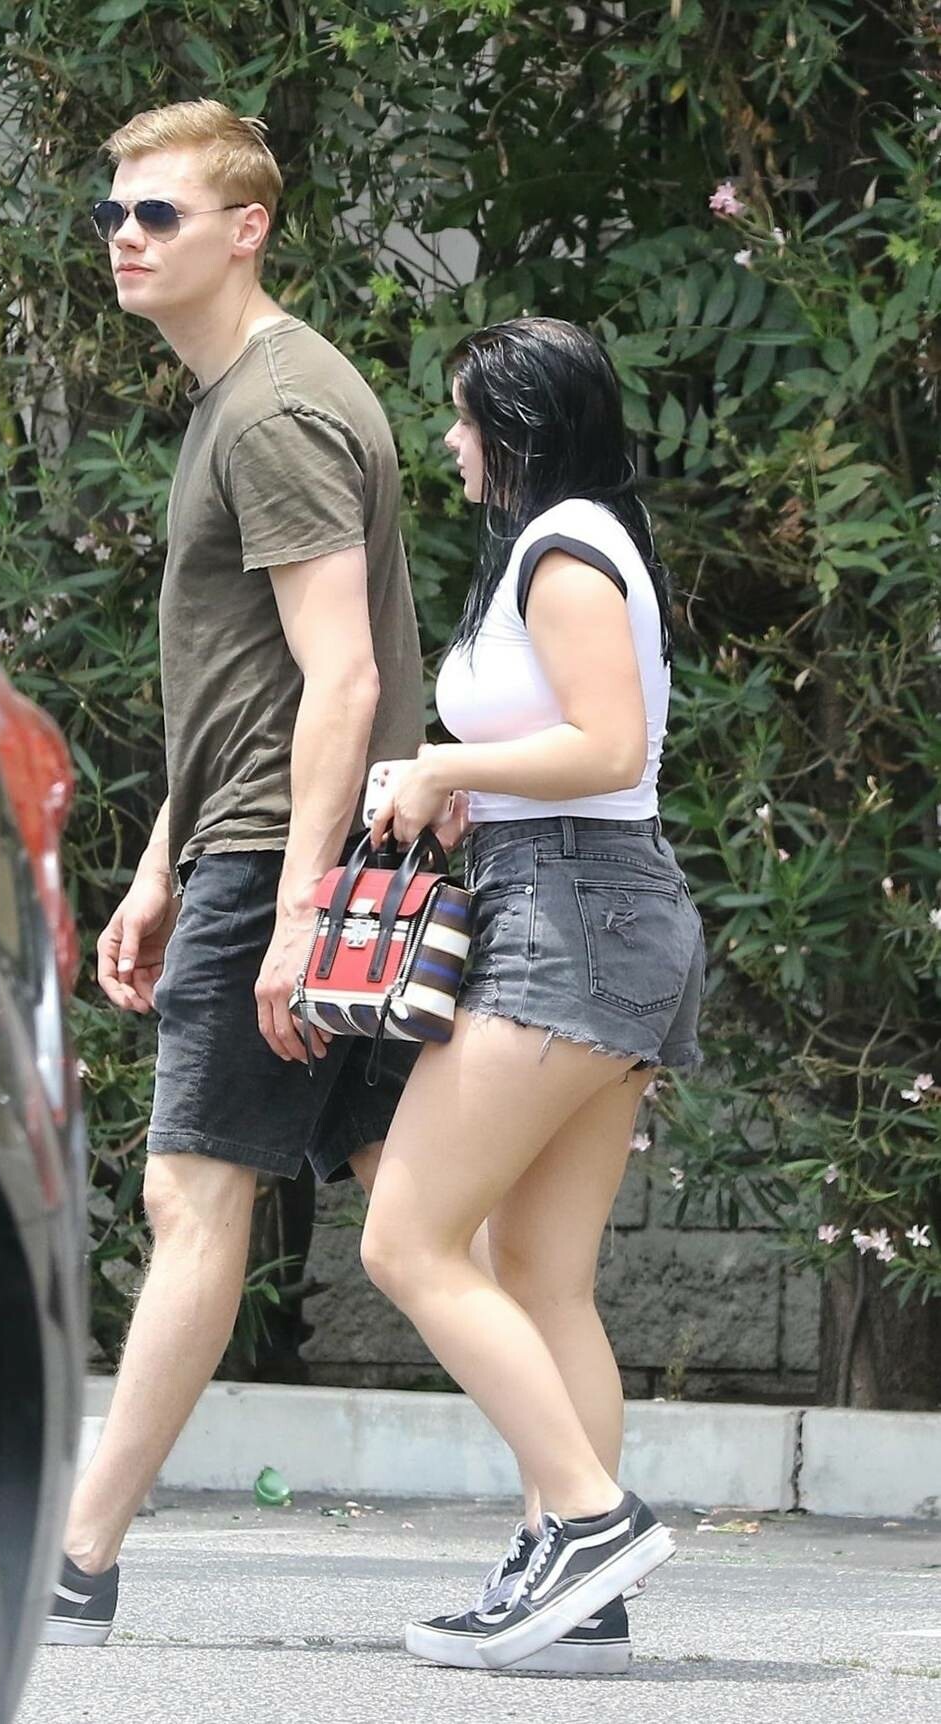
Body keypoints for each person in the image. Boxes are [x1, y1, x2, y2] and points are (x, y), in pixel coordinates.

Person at [43, 99, 424, 1645]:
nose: (124, 239)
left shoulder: (272, 411)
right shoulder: (245, 398)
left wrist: (288, 906)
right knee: (419, 1217)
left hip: (286, 851)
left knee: (190, 1192)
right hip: (259, 840)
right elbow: (245, 691)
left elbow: (341, 682)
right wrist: (160, 867)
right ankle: (582, 1514)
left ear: (246, 227)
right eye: (113, 214)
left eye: (159, 214)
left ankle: (75, 1558)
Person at [363, 318, 706, 1676]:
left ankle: (588, 1521)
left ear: (513, 427)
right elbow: (591, 753)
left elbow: (608, 746)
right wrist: (470, 790)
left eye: (463, 418)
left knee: (407, 1240)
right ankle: (577, 1595)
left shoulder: (563, 548)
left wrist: (445, 768)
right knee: (543, 1277)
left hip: (571, 915)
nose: (448, 440)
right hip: (594, 905)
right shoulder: (579, 540)